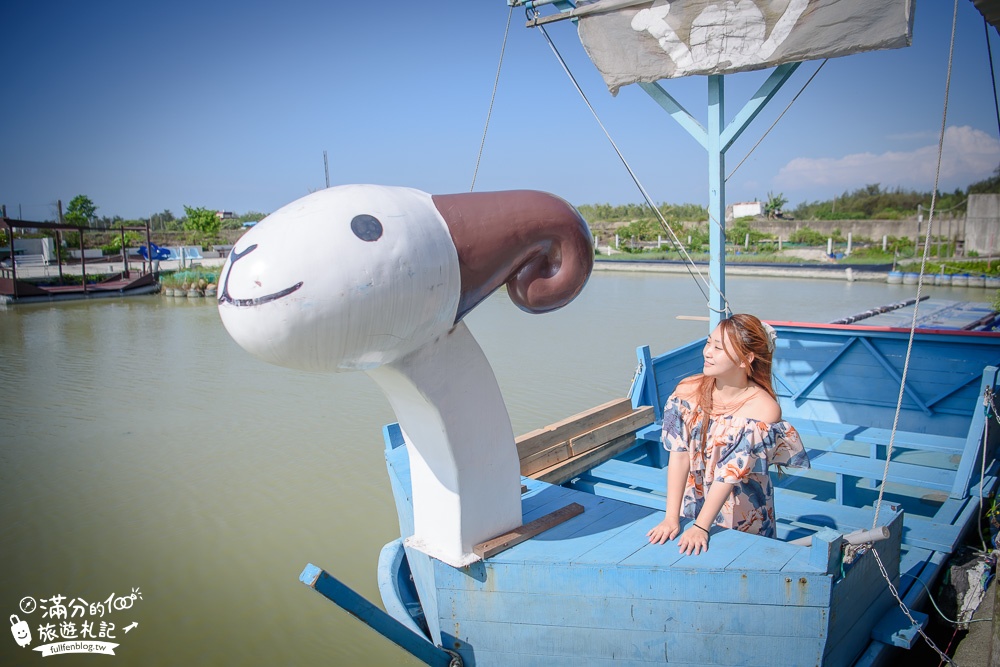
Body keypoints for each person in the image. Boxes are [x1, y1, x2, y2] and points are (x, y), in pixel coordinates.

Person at [646, 314, 809, 555]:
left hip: (743, 511)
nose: (707, 352)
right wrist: (672, 517)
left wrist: (702, 526)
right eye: (708, 342)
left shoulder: (763, 409)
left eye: (718, 347)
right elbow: (679, 455)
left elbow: (728, 476)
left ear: (746, 359)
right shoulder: (688, 390)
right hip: (694, 501)